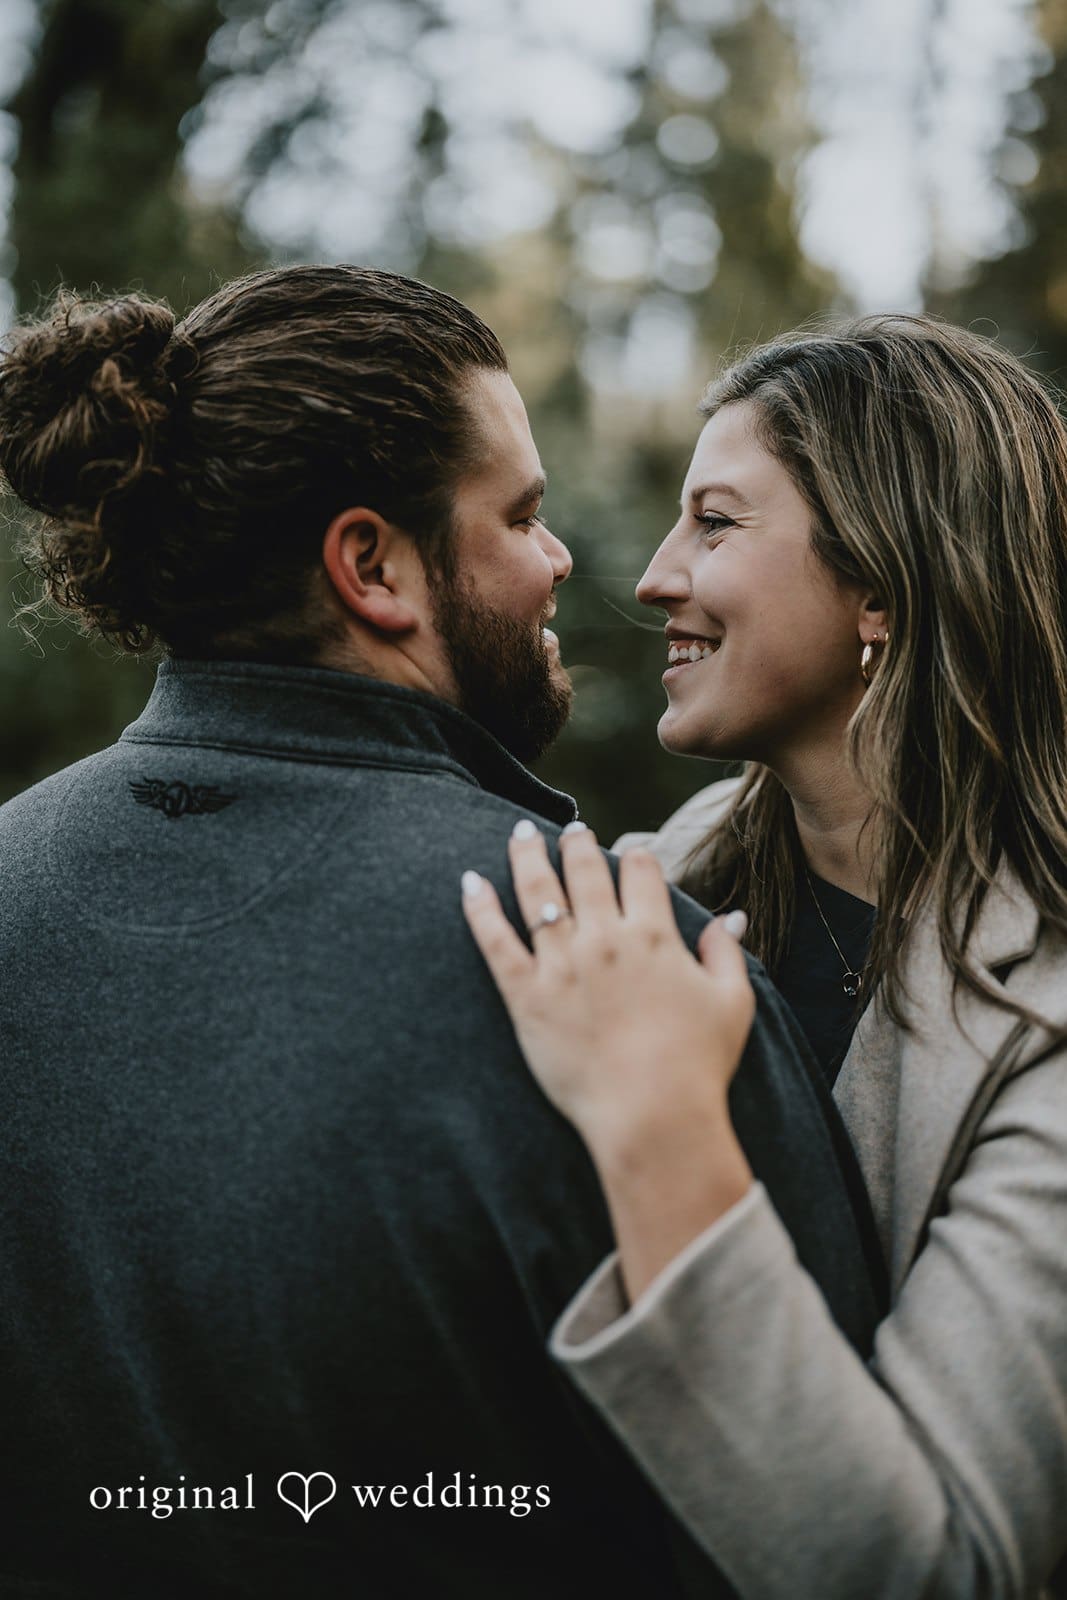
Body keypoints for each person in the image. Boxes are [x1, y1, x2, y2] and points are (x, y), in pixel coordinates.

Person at [0, 266, 883, 1599]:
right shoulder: (621, 972)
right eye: (518, 514)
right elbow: (816, 1528)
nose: (564, 558)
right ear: (371, 566)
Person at [462, 313, 1067, 1598]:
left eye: (716, 524)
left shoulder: (1046, 1011)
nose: (650, 577)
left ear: (882, 587)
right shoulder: (651, 894)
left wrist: (660, 1128)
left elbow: (933, 1565)